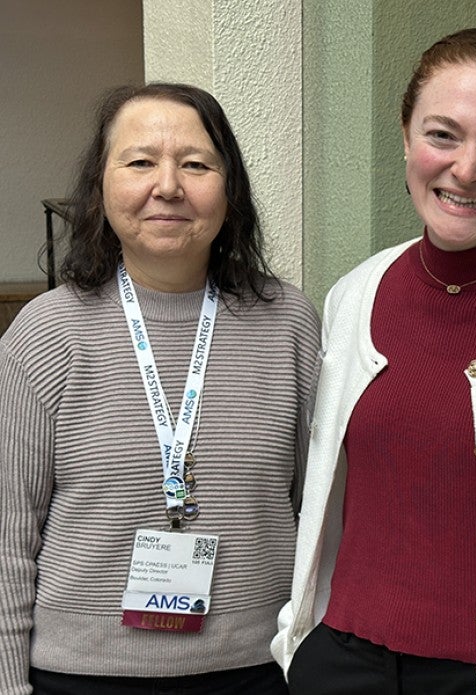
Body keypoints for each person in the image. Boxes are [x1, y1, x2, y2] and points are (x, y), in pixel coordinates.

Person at [272, 28, 476, 694]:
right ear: (405, 135)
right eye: (442, 134)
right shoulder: (354, 294)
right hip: (339, 660)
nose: (467, 167)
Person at [0, 83, 321, 694]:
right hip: (80, 676)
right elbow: (5, 540)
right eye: (140, 161)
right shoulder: (46, 335)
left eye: (196, 164)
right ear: (101, 185)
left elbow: (323, 513)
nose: (168, 186)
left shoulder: (289, 325)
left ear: (231, 190)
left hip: (259, 669)